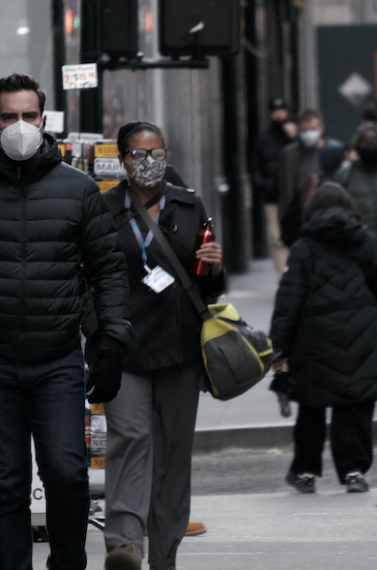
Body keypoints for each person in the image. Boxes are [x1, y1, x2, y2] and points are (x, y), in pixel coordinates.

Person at [0, 73, 133, 570]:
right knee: (7, 484)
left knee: (66, 474)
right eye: (10, 117)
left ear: (44, 120)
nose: (21, 126)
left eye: (29, 116)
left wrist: (114, 342)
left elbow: (108, 272)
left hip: (57, 359)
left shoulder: (79, 190)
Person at [90, 121, 224, 570]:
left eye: (157, 153)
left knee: (172, 449)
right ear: (122, 159)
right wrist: (97, 335)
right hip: (124, 346)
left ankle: (165, 551)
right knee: (130, 436)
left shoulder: (189, 205)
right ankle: (125, 542)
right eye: (139, 154)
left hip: (180, 348)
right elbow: (85, 279)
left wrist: (213, 266)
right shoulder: (102, 208)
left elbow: (208, 287)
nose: (149, 163)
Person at [269, 183, 377, 495]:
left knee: (312, 405)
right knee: (355, 404)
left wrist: (279, 348)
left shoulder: (304, 248)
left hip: (313, 336)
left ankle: (305, 471)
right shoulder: (367, 241)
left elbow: (289, 301)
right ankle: (354, 470)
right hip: (362, 329)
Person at [276, 109, 342, 274]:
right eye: (304, 130)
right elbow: (286, 192)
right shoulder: (289, 154)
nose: (309, 134)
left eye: (312, 129)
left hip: (331, 216)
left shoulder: (335, 150)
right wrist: (285, 224)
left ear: (321, 128)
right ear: (298, 130)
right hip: (301, 219)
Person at [334, 125, 377, 241]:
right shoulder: (344, 176)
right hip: (358, 246)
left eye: (374, 144)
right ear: (357, 148)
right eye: (366, 144)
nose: (370, 148)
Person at [251, 96, 296, 259]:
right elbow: (256, 166)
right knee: (277, 239)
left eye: (281, 111)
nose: (279, 115)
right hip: (272, 196)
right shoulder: (264, 140)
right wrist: (263, 186)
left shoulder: (295, 137)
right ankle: (283, 278)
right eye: (275, 111)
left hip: (294, 195)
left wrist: (294, 137)